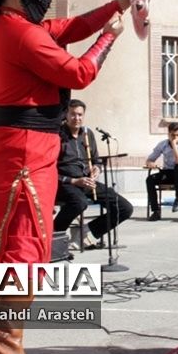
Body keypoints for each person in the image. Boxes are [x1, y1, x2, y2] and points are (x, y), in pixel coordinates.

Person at [0, 0, 126, 354]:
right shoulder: (18, 33)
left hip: (21, 144)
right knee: (26, 243)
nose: (45, 0)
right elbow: (80, 72)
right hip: (25, 149)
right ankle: (4, 343)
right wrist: (109, 37)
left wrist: (116, 5)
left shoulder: (10, 25)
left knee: (6, 234)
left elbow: (68, 28)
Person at [53, 99, 133, 248]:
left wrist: (97, 168)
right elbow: (50, 169)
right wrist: (74, 181)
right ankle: (54, 237)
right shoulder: (57, 134)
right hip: (66, 184)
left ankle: (85, 231)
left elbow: (96, 160)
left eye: (80, 115)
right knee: (79, 202)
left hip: (87, 182)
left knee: (125, 208)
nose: (77, 118)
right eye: (73, 114)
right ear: (66, 114)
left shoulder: (87, 133)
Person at [145, 122, 178, 222]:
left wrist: (174, 145)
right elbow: (150, 159)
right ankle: (156, 211)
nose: (175, 137)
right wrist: (151, 163)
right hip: (168, 173)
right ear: (168, 134)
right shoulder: (163, 144)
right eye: (172, 135)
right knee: (150, 179)